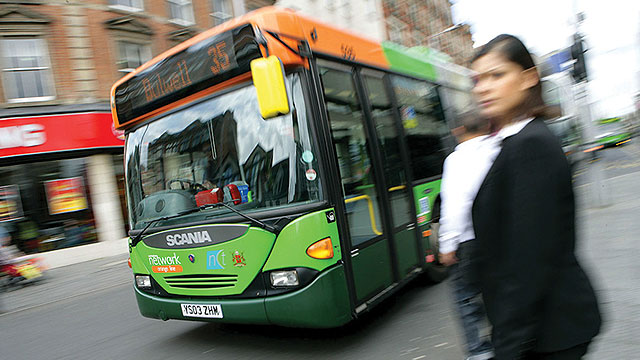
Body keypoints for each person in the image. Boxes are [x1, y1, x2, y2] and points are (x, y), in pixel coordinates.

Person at [470, 34, 601, 359]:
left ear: (529, 78)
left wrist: (510, 347)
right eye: (477, 79)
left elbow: (528, 260)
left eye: (496, 75)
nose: (482, 88)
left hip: (549, 331)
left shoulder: (531, 145)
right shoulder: (521, 141)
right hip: (547, 327)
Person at [439, 111, 498, 360]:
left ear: (457, 130)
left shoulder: (456, 159)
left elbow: (455, 204)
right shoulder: (498, 150)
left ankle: (478, 351)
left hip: (469, 240)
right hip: (500, 236)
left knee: (464, 296)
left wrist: (447, 245)